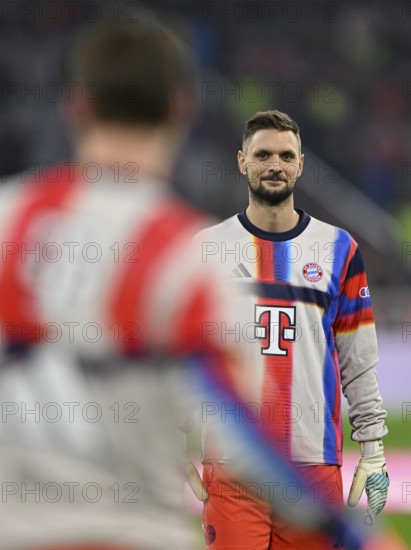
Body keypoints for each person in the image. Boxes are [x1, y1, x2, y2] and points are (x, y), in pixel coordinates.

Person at [0, 24, 365, 550]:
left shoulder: (9, 221)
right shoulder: (189, 258)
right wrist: (348, 532)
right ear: (181, 109)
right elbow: (240, 437)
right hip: (136, 533)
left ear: (77, 106)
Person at [197, 109, 390, 550]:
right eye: (263, 154)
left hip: (313, 465)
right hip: (234, 463)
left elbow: (358, 358)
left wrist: (374, 448)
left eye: (286, 155)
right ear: (242, 161)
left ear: (301, 164)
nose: (275, 165)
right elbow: (179, 355)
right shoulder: (206, 249)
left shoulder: (340, 249)